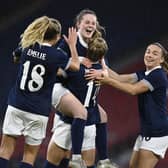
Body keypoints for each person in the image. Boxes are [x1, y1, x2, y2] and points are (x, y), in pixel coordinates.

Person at [0, 16, 80, 168]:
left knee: (4, 150)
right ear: (57, 37)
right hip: (38, 111)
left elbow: (16, 57)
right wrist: (72, 45)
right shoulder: (57, 56)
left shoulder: (27, 46)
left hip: (16, 105)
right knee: (29, 156)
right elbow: (75, 66)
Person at [53, 9, 117, 168]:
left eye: (93, 23)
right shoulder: (68, 43)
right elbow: (56, 66)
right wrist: (76, 61)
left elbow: (105, 70)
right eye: (87, 22)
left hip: (85, 97)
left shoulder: (96, 44)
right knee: (62, 153)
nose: (90, 25)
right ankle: (78, 158)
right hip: (66, 91)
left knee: (102, 115)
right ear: (78, 25)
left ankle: (103, 160)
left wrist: (101, 72)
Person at [90, 42, 168, 168]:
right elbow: (119, 78)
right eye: (148, 51)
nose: (149, 55)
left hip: (157, 135)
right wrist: (101, 62)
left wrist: (107, 81)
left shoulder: (157, 76)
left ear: (162, 59)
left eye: (155, 53)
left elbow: (133, 90)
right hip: (146, 133)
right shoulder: (145, 73)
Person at [43, 37, 108, 168]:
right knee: (89, 165)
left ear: (87, 50)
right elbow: (106, 72)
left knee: (52, 163)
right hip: (89, 124)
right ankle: (105, 160)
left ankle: (76, 157)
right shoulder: (101, 73)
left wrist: (72, 47)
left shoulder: (76, 70)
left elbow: (58, 70)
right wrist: (103, 66)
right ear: (102, 56)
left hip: (69, 123)